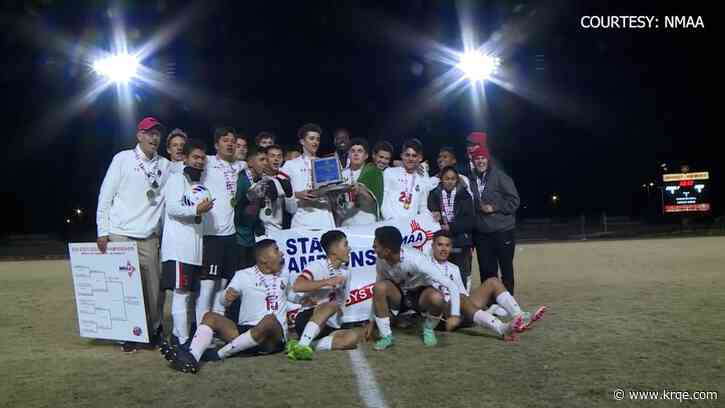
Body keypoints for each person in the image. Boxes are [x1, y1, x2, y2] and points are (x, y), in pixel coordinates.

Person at [96, 116, 171, 351]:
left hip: (149, 235)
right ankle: (129, 334)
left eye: (157, 133)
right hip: (120, 234)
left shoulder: (165, 165)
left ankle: (156, 329)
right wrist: (102, 231)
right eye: (149, 133)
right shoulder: (122, 159)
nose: (154, 137)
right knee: (126, 288)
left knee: (154, 288)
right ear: (139, 135)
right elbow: (105, 196)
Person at [160, 240, 289, 373]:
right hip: (245, 332)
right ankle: (192, 358)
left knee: (269, 320)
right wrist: (226, 297)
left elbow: (294, 298)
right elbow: (223, 301)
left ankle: (218, 354)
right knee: (209, 317)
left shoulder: (285, 274)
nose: (281, 253)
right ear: (263, 259)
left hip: (273, 336)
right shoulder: (243, 275)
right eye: (276, 250)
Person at [427, 231, 546, 341]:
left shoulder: (454, 268)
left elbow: (463, 294)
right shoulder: (424, 266)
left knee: (492, 281)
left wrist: (473, 307)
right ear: (432, 246)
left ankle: (519, 316)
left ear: (451, 248)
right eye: (440, 245)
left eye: (447, 245)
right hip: (442, 317)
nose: (443, 249)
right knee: (460, 298)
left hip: (462, 311)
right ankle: (502, 328)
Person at [364, 226, 462, 350]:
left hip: (420, 296)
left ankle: (428, 329)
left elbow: (452, 285)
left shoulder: (417, 260)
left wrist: (455, 315)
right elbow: (378, 290)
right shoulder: (381, 260)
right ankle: (386, 336)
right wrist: (371, 321)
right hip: (398, 296)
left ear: (387, 250)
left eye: (376, 245)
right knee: (379, 287)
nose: (373, 248)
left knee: (437, 298)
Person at [160, 139, 214, 348]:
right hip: (177, 248)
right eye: (195, 157)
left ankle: (177, 336)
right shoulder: (175, 179)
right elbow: (173, 208)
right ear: (185, 157)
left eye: (202, 158)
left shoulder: (199, 186)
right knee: (181, 294)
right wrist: (197, 210)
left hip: (194, 249)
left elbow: (196, 217)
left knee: (189, 294)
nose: (199, 161)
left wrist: (200, 214)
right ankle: (183, 342)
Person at [286, 230, 361, 360]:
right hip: (309, 317)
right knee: (330, 306)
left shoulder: (346, 272)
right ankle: (302, 346)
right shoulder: (317, 265)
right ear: (334, 250)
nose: (349, 248)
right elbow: (298, 286)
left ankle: (303, 344)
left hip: (330, 324)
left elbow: (341, 299)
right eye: (345, 244)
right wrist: (327, 282)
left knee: (352, 338)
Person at [199, 127, 247, 322]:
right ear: (216, 144)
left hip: (230, 234)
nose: (229, 143)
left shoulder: (239, 166)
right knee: (208, 287)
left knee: (224, 285)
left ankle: (217, 323)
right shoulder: (207, 162)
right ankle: (201, 327)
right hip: (211, 234)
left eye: (232, 141)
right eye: (225, 140)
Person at [469, 144, 520, 299]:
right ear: (473, 161)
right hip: (482, 234)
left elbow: (514, 201)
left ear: (488, 159)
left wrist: (494, 207)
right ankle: (491, 302)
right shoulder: (470, 179)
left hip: (503, 231)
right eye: (477, 158)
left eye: (483, 158)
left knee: (505, 268)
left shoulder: (500, 176)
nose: (480, 161)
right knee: (486, 270)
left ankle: (508, 300)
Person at [428, 166, 475, 288]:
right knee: (440, 271)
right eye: (447, 178)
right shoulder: (434, 194)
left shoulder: (465, 195)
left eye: (453, 179)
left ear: (457, 180)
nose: (450, 181)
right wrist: (433, 213)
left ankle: (462, 299)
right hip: (441, 240)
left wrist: (452, 227)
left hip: (460, 240)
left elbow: (470, 221)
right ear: (441, 180)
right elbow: (428, 214)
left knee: (460, 273)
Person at [281, 123, 335, 229]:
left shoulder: (326, 163)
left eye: (318, 139)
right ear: (302, 141)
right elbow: (281, 191)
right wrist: (297, 194)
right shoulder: (291, 165)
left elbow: (333, 191)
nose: (315, 142)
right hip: (302, 218)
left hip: (324, 218)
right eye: (311, 138)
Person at [380, 139, 432, 221]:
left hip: (409, 227)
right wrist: (390, 218)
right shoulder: (389, 172)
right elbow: (383, 199)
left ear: (420, 158)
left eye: (414, 156)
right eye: (407, 155)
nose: (410, 159)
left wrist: (431, 217)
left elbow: (422, 206)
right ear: (402, 156)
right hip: (390, 223)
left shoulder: (423, 178)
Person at [338, 138, 383, 226]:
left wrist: (361, 191)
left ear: (366, 155)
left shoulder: (373, 172)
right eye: (352, 151)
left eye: (360, 151)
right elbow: (338, 202)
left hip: (367, 222)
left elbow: (375, 201)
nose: (356, 154)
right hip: (346, 223)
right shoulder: (341, 174)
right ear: (349, 154)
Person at [259, 144, 293, 232]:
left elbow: (292, 210)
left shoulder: (285, 179)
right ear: (266, 159)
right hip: (261, 230)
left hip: (281, 230)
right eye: (272, 156)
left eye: (279, 156)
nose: (276, 159)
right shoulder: (257, 178)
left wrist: (289, 195)